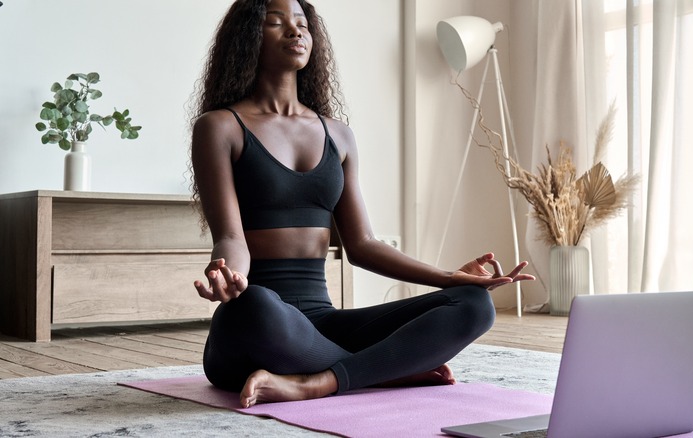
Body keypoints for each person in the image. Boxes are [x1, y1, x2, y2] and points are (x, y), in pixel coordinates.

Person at [190, 0, 535, 408]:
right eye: (276, 22)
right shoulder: (220, 127)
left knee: (474, 305)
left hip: (323, 326)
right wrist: (231, 276)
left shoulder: (338, 135)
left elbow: (364, 244)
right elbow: (231, 236)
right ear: (248, 37)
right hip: (257, 326)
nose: (295, 32)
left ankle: (316, 383)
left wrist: (451, 278)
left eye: (302, 23)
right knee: (255, 306)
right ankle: (385, 371)